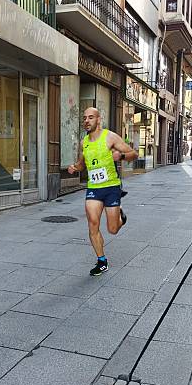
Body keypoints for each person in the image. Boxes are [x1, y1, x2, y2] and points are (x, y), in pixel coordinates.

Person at [68, 107, 138, 276]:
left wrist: (121, 157)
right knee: (93, 223)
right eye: (84, 118)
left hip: (111, 188)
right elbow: (82, 163)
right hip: (94, 189)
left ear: (99, 119)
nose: (86, 121)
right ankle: (101, 261)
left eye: (91, 117)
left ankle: (120, 218)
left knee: (112, 229)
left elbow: (133, 154)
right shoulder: (83, 142)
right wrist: (74, 168)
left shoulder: (110, 137)